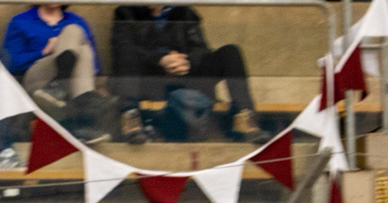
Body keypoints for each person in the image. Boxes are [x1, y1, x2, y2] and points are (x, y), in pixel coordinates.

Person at [109, 5, 269, 145]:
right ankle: (130, 117)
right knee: (126, 51)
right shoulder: (126, 13)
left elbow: (201, 49)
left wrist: (187, 62)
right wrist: (161, 60)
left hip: (185, 77)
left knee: (230, 52)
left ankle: (244, 117)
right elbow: (122, 47)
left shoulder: (184, 12)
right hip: (149, 80)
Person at [2, 4, 115, 143]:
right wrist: (45, 51)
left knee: (83, 49)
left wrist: (66, 47)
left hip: (71, 86)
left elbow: (95, 66)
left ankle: (60, 91)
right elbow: (11, 63)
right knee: (73, 31)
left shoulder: (77, 20)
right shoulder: (21, 21)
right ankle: (84, 120)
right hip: (37, 82)